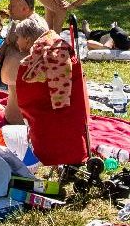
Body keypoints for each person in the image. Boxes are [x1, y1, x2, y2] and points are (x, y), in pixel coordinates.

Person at [12, 14, 88, 166]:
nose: (16, 41)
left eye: (18, 37)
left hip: (52, 119)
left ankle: (57, 157)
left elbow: (30, 98)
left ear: (27, 39)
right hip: (74, 116)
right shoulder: (52, 50)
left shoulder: (38, 62)